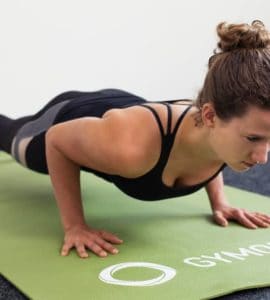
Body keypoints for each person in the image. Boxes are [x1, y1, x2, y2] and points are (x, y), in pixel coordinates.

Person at [1, 20, 270, 259]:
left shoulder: (221, 129)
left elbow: (210, 146)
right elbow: (57, 140)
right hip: (71, 116)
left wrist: (220, 202)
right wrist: (75, 227)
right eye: (253, 138)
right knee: (10, 137)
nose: (262, 157)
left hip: (125, 110)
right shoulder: (130, 149)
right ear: (210, 116)